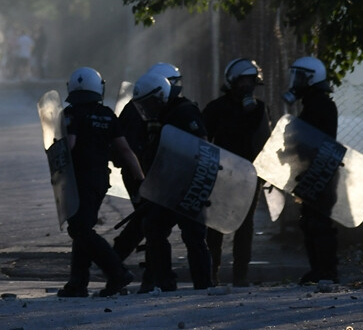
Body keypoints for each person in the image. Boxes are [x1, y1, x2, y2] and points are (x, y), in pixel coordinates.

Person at [57, 67, 146, 298]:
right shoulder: (107, 115)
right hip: (99, 179)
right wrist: (140, 179)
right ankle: (77, 284)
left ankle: (117, 272)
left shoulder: (70, 114)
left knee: (80, 228)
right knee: (82, 228)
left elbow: (70, 144)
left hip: (78, 180)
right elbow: (125, 151)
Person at [132, 70, 214, 291]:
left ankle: (204, 284)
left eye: (148, 104)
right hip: (167, 187)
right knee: (153, 227)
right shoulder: (158, 118)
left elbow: (202, 146)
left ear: (160, 96)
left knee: (194, 236)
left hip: (189, 185)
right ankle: (164, 281)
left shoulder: (184, 111)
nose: (146, 110)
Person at [202, 58, 272, 287]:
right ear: (232, 81)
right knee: (214, 225)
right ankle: (211, 274)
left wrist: (266, 174)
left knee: (245, 226)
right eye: (243, 80)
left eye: (251, 81)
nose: (248, 85)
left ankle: (240, 276)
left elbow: (266, 144)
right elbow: (203, 143)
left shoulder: (260, 109)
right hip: (221, 175)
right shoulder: (216, 108)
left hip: (249, 177)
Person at [112, 62, 183, 263]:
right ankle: (116, 260)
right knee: (149, 221)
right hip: (140, 174)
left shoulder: (145, 106)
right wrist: (143, 178)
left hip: (144, 173)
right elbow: (133, 146)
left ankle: (119, 259)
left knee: (148, 222)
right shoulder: (140, 109)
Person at [283, 56, 340, 284]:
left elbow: (315, 140)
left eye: (299, 76)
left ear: (311, 77)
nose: (294, 81)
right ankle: (318, 269)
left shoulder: (321, 105)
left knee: (319, 222)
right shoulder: (312, 104)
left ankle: (327, 271)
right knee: (309, 220)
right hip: (313, 171)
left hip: (322, 172)